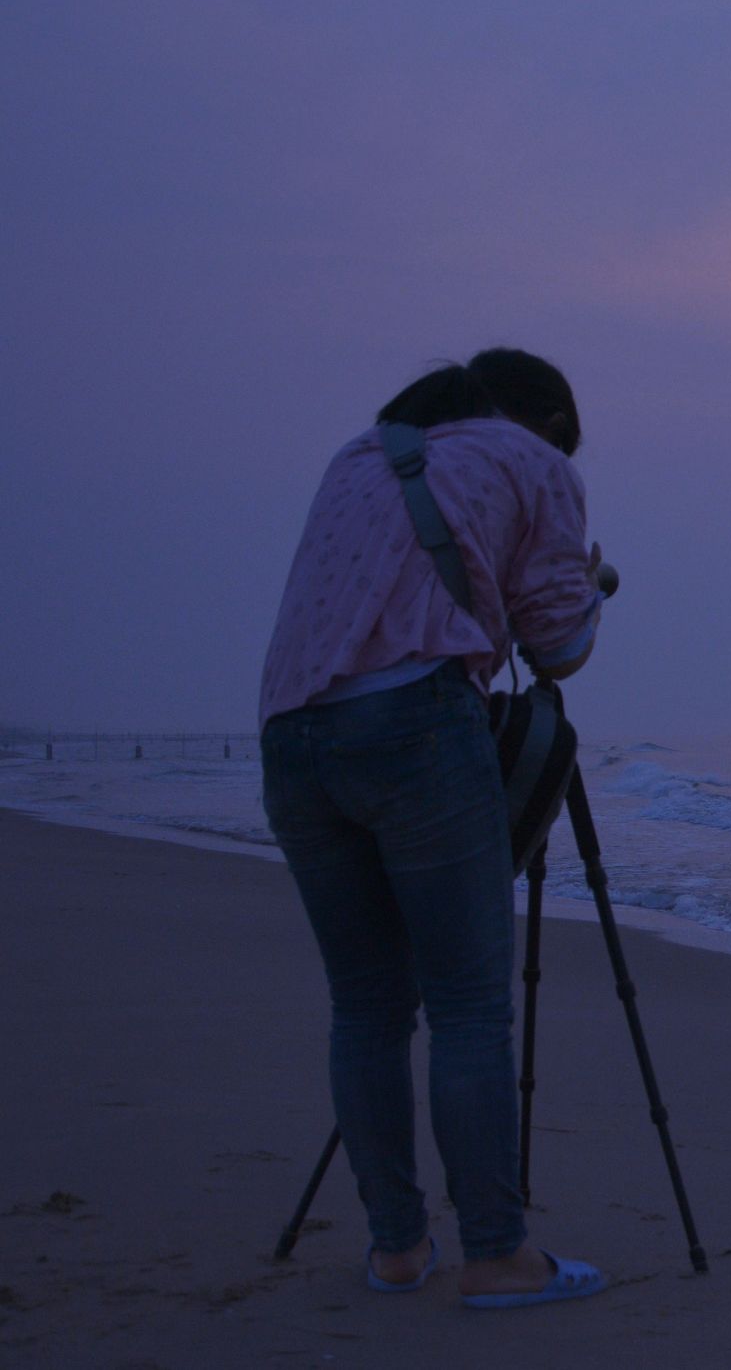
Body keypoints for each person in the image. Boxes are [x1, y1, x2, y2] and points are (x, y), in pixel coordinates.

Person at [256, 348, 608, 1308]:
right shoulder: (534, 463)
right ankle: (495, 1253)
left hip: (291, 737)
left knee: (367, 1006)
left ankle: (399, 1249)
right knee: (464, 1007)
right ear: (541, 421)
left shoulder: (359, 455)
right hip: (415, 724)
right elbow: (560, 647)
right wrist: (588, 583)